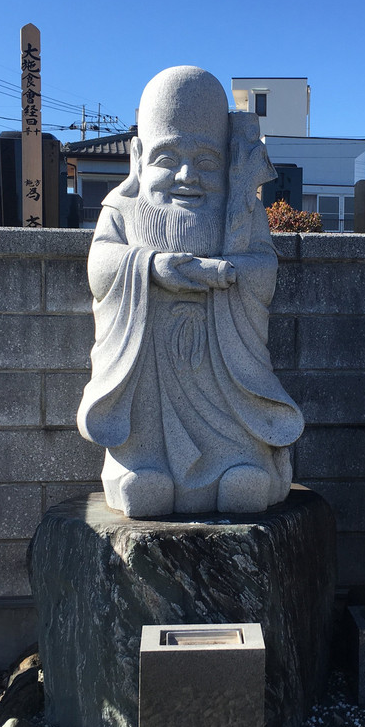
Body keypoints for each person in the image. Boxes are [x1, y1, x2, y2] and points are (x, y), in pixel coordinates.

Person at [77, 66, 304, 517]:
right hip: (148, 357)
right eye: (166, 158)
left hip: (223, 358)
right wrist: (149, 267)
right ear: (137, 156)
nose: (187, 175)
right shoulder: (122, 207)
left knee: (236, 429)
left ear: (226, 159)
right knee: (145, 424)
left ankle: (239, 462)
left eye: (206, 161)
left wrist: (230, 273)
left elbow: (264, 268)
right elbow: (101, 266)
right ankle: (140, 465)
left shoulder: (241, 211)